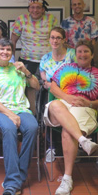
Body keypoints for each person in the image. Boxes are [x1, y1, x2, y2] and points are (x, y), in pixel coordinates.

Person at [44, 40, 98, 195]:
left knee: (68, 132)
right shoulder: (65, 68)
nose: (82, 54)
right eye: (79, 51)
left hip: (84, 108)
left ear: (92, 55)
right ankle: (83, 141)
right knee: (54, 105)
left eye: (86, 51)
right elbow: (53, 87)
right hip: (63, 106)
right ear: (75, 54)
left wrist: (90, 103)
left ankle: (67, 179)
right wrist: (68, 98)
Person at [0, 38, 40, 195]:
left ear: (12, 53)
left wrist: (27, 72)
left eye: (8, 50)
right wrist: (10, 114)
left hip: (21, 109)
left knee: (33, 127)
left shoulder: (18, 69)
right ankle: (12, 182)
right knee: (9, 128)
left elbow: (36, 86)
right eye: (2, 49)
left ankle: (19, 176)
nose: (5, 52)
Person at [39, 27, 76, 162]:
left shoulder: (72, 55)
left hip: (72, 92)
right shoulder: (45, 59)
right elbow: (45, 82)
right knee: (47, 106)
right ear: (49, 40)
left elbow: (79, 73)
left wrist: (55, 85)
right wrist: (53, 86)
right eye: (52, 37)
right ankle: (52, 146)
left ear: (64, 40)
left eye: (58, 38)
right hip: (52, 94)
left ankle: (75, 146)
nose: (55, 40)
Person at [11, 0, 58, 76]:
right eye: (32, 7)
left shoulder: (51, 19)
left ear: (43, 9)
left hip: (48, 61)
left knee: (46, 86)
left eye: (38, 7)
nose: (35, 10)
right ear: (28, 9)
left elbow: (57, 41)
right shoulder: (22, 19)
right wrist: (11, 61)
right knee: (27, 86)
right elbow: (13, 41)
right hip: (27, 62)